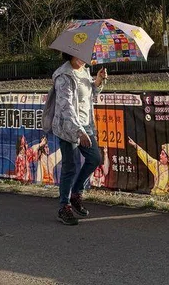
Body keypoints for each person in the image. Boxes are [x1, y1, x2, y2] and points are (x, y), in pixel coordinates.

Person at [50, 52, 108, 225]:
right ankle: (64, 206)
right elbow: (66, 106)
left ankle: (76, 192)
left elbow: (88, 95)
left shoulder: (84, 71)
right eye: (81, 55)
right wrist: (78, 131)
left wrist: (97, 81)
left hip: (86, 125)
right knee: (70, 166)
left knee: (94, 158)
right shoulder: (64, 75)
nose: (85, 58)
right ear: (71, 55)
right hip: (68, 128)